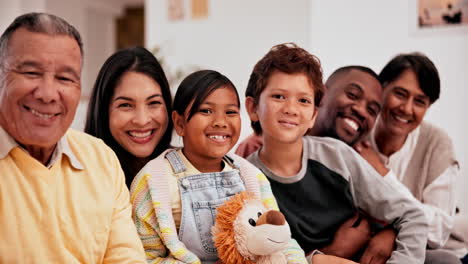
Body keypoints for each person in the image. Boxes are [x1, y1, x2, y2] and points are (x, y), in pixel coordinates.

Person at [244, 43, 428, 263]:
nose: (291, 108)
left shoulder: (337, 155)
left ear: (314, 113)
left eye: (303, 100)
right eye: (279, 97)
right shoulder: (245, 178)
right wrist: (318, 259)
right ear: (253, 108)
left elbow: (411, 215)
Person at [0, 12, 145, 263]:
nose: (47, 94)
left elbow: (126, 257)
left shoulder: (100, 159)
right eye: (31, 73)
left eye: (65, 78)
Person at [130, 70, 307, 263]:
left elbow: (279, 239)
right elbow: (145, 257)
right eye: (206, 111)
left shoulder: (251, 177)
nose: (221, 122)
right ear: (179, 123)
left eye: (230, 112)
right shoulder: (155, 181)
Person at [355, 52, 465, 264]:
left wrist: (383, 174)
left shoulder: (437, 144)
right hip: (361, 243)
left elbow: (439, 231)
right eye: (400, 94)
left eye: (419, 101)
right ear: (381, 89)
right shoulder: (358, 131)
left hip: (419, 249)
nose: (406, 108)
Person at [235, 65, 382, 158]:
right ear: (322, 94)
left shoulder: (358, 163)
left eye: (372, 110)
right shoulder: (259, 149)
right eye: (352, 95)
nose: (362, 111)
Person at [85, 46, 173, 188]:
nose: (142, 120)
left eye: (154, 103)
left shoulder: (188, 170)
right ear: (103, 111)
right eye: (126, 105)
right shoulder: (81, 177)